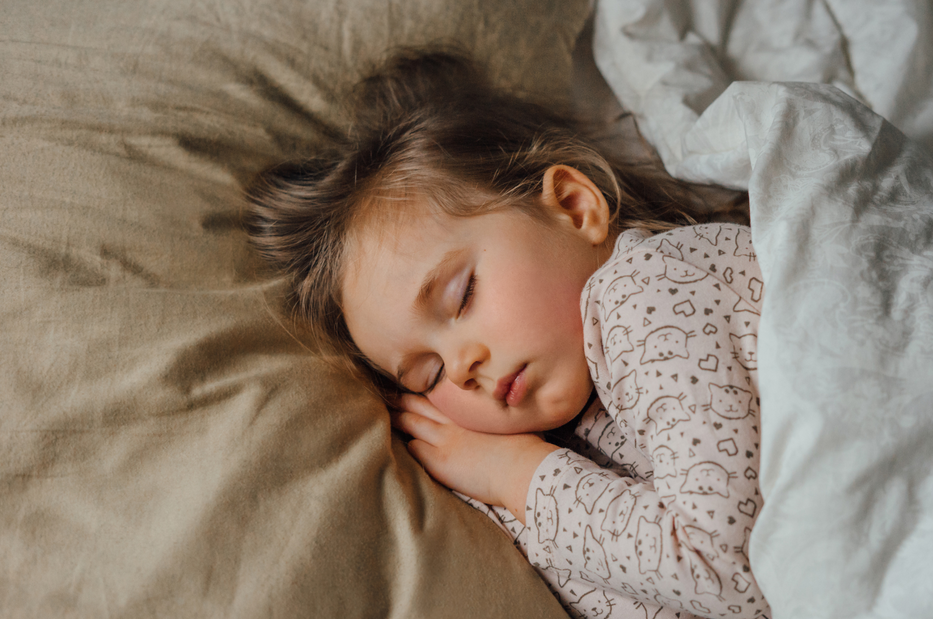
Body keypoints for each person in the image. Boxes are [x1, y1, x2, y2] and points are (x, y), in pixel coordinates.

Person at [244, 49, 769, 619]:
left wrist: (513, 477)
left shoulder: (648, 288)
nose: (462, 367)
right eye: (429, 373)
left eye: (462, 295)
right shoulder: (568, 433)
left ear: (573, 207)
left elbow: (727, 569)